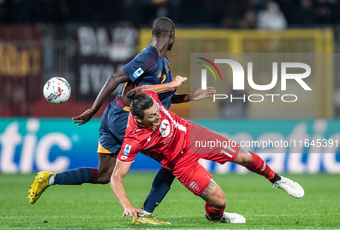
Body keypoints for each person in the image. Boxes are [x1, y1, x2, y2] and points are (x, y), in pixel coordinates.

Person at [28, 17, 215, 225]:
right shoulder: (149, 56)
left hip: (114, 115)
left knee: (104, 174)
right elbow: (116, 78)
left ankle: (50, 178)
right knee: (173, 159)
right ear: (172, 34)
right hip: (126, 119)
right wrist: (92, 109)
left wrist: (191, 96)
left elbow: (162, 98)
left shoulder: (163, 63)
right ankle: (145, 214)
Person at [111, 88, 304, 224]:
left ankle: (277, 180)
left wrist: (180, 91)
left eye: (157, 111)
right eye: (152, 117)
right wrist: (127, 204)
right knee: (219, 201)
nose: (158, 116)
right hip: (180, 162)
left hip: (193, 135)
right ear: (138, 119)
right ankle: (216, 217)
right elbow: (116, 177)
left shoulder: (149, 97)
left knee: (244, 157)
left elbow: (149, 89)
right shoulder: (133, 139)